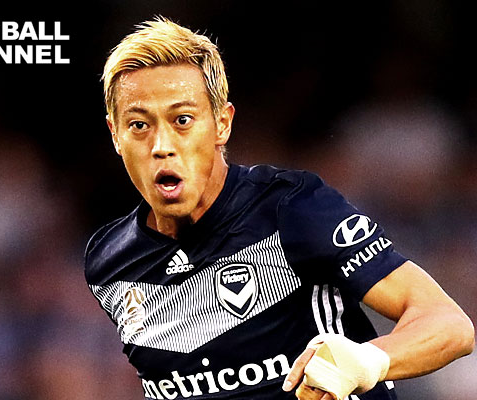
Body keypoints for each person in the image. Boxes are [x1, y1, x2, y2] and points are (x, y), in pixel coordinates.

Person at [84, 17, 474, 400]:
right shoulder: (108, 263)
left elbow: (449, 324)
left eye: (182, 120)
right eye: (139, 125)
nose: (161, 146)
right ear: (115, 134)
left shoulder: (292, 210)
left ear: (222, 124)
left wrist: (367, 359)